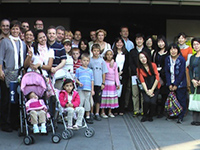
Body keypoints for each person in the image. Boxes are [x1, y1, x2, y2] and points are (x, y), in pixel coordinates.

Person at [0, 20, 26, 132]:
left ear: (20, 30)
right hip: (7, 72)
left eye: (17, 29)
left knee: (16, 99)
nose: (15, 31)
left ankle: (15, 122)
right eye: (13, 29)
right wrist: (0, 70)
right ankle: (5, 123)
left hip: (18, 73)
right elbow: (0, 57)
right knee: (6, 99)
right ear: (10, 30)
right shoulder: (5, 41)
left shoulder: (23, 43)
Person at [129, 33, 151, 117]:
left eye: (140, 39)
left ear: (143, 40)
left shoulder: (147, 51)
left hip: (145, 75)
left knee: (143, 93)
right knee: (135, 93)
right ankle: (136, 110)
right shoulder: (132, 51)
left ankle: (143, 110)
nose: (139, 41)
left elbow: (149, 62)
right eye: (137, 39)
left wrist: (142, 72)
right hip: (134, 75)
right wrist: (137, 72)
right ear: (135, 41)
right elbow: (131, 64)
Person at [165, 43, 187, 124]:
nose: (173, 51)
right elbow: (167, 72)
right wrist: (170, 84)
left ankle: (181, 116)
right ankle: (173, 115)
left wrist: (176, 84)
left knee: (181, 100)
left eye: (174, 49)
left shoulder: (181, 59)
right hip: (170, 82)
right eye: (171, 49)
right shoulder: (167, 59)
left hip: (180, 84)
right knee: (172, 100)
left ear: (178, 50)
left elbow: (182, 73)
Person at [137, 52, 160, 122]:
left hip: (155, 86)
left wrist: (152, 90)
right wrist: (147, 91)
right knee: (146, 101)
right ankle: (145, 115)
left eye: (144, 57)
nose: (143, 59)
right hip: (145, 87)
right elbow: (142, 80)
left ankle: (151, 115)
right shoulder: (139, 69)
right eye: (141, 58)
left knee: (153, 102)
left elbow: (157, 78)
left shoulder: (153, 65)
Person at [88, 44, 108, 121]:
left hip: (99, 83)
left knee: (98, 99)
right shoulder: (90, 60)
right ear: (92, 51)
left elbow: (104, 72)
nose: (96, 52)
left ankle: (97, 113)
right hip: (91, 83)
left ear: (100, 52)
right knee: (91, 99)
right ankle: (91, 113)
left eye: (97, 51)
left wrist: (103, 83)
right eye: (94, 51)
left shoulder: (102, 61)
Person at [152, 35, 169, 118]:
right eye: (159, 42)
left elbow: (168, 65)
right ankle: (155, 111)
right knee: (156, 93)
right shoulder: (155, 53)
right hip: (156, 75)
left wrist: (161, 73)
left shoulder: (168, 52)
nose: (161, 44)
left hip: (165, 76)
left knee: (164, 94)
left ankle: (162, 111)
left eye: (162, 42)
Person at [112, 37, 129, 115]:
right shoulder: (113, 53)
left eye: (121, 42)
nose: (119, 44)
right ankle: (115, 109)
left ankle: (121, 109)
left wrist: (121, 72)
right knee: (114, 92)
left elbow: (127, 65)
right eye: (117, 42)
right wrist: (116, 73)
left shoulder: (126, 53)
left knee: (123, 92)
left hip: (123, 75)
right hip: (113, 75)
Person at [100, 50, 120, 118]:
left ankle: (109, 112)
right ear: (105, 55)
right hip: (105, 81)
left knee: (111, 97)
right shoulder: (103, 63)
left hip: (112, 83)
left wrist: (117, 83)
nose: (109, 56)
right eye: (107, 54)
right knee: (104, 97)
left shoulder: (114, 64)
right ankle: (103, 112)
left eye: (110, 54)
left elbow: (116, 74)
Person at [75, 53, 94, 124]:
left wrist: (92, 89)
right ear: (81, 61)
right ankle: (80, 116)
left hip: (88, 88)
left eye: (87, 61)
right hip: (81, 88)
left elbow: (92, 80)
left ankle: (87, 115)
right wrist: (79, 82)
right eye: (84, 60)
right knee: (80, 101)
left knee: (87, 102)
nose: (85, 62)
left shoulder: (90, 71)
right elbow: (75, 78)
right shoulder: (78, 70)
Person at [189, 37, 200, 126]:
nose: (196, 46)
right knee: (194, 99)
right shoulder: (192, 57)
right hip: (194, 81)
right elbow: (190, 70)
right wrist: (192, 79)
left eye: (197, 44)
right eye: (194, 44)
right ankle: (195, 119)